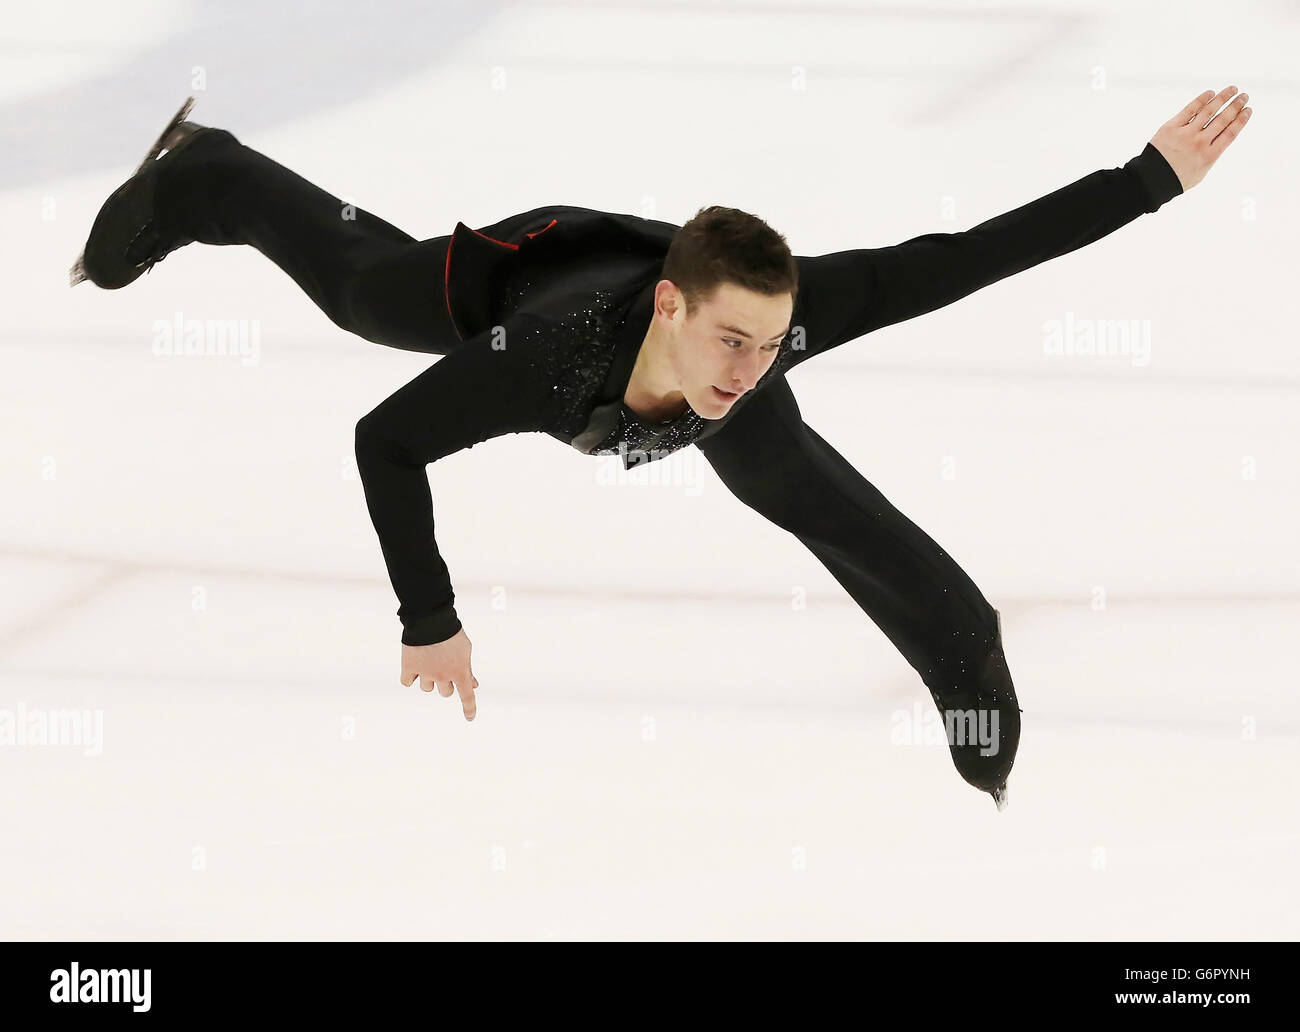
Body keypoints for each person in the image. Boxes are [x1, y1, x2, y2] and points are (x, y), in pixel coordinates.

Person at [71, 88, 1252, 809]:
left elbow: (964, 256)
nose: (755, 367)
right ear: (676, 313)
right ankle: (213, 172)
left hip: (655, 369)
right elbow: (387, 443)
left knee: (857, 533)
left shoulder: (754, 357)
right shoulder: (540, 358)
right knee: (360, 292)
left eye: (774, 344)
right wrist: (427, 615)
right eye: (737, 340)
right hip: (525, 277)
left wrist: (1149, 180)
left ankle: (979, 727)